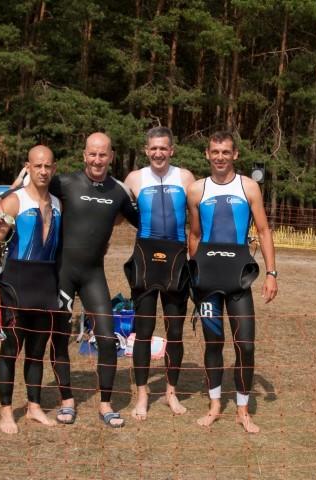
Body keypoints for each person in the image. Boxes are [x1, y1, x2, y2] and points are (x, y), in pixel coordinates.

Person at [0, 132, 138, 428]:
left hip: (93, 275)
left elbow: (143, 224)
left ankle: (106, 405)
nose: (97, 160)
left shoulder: (119, 192)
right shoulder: (64, 183)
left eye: (103, 154)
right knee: (58, 339)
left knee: (107, 338)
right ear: (84, 155)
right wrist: (0, 197)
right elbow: (32, 185)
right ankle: (66, 401)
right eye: (92, 154)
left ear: (111, 156)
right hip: (61, 275)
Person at [186, 130, 278, 434]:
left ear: (235, 154)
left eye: (226, 152)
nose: (220, 157)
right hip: (207, 280)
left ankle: (242, 410)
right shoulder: (196, 190)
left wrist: (271, 273)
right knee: (213, 343)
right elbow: (195, 235)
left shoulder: (248, 187)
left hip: (239, 278)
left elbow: (263, 231)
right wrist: (193, 274)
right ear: (207, 154)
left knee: (245, 345)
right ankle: (214, 406)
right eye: (215, 152)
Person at [0, 145, 61, 434]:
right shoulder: (14, 202)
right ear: (27, 167)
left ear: (54, 169)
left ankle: (34, 406)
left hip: (46, 284)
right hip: (15, 284)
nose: (43, 171)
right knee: (10, 349)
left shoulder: (58, 203)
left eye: (48, 166)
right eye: (37, 166)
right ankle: (6, 411)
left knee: (37, 351)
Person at [123, 126, 195, 420]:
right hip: (145, 258)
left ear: (171, 150)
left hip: (176, 259)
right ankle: (142, 395)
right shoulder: (134, 178)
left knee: (175, 332)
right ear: (146, 150)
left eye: (163, 148)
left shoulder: (186, 178)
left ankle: (171, 393)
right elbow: (113, 211)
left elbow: (200, 218)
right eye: (153, 148)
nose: (158, 153)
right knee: (143, 331)